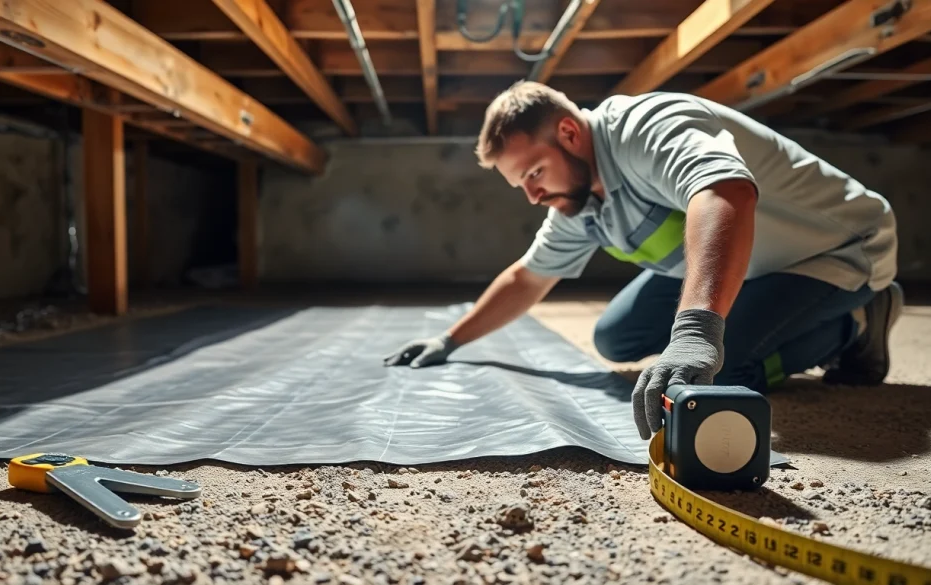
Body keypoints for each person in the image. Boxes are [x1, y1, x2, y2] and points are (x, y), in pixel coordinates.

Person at [383, 81, 902, 441]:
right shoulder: (581, 200)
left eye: (535, 173)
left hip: (832, 248)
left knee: (726, 364)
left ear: (568, 133)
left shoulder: (644, 126)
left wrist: (697, 329)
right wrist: (450, 340)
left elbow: (724, 193)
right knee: (616, 338)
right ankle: (766, 318)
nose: (534, 195)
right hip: (756, 262)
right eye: (522, 184)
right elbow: (528, 277)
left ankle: (856, 325)